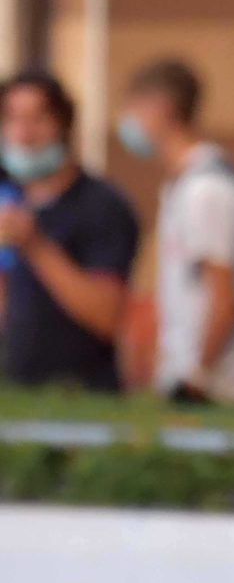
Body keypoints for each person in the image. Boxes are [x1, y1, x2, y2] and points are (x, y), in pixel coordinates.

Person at [117, 58, 234, 404]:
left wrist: (196, 376)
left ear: (159, 108)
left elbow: (223, 297)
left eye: (133, 109)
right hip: (190, 382)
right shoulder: (182, 185)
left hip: (223, 390)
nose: (127, 122)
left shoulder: (206, 190)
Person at [0, 70, 138, 391]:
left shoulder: (101, 205)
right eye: (11, 119)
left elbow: (107, 316)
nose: (23, 134)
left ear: (64, 124)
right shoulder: (11, 197)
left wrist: (34, 245)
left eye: (37, 119)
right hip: (17, 393)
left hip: (81, 395)